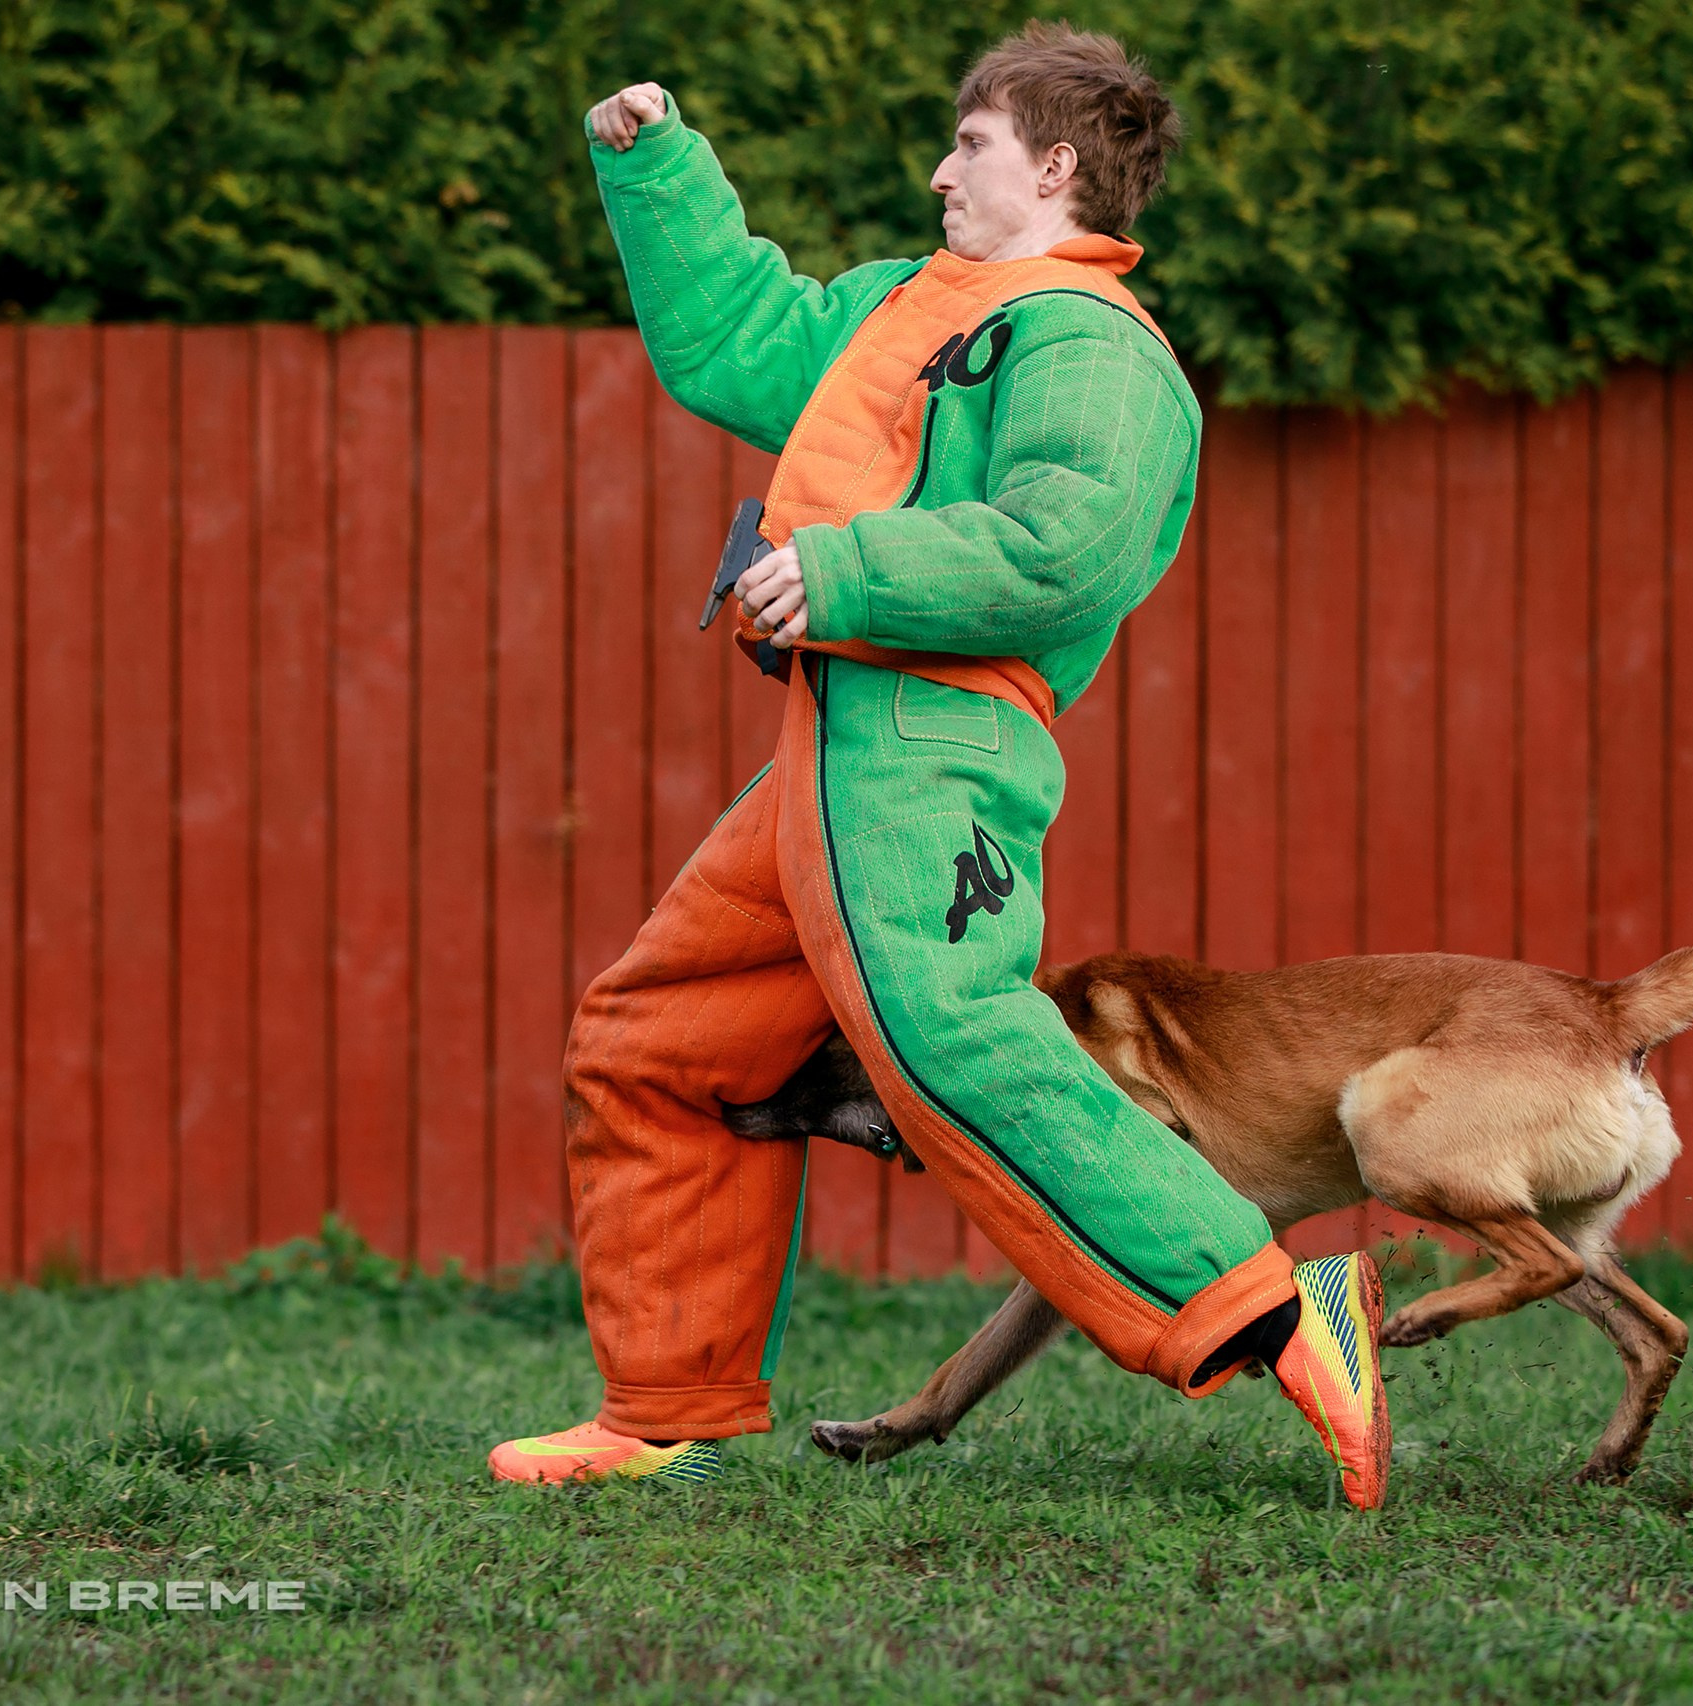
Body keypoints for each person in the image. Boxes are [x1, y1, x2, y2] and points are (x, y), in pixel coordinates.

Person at [488, 24, 1390, 1509]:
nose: (939, 171)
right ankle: (668, 1409)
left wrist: (845, 571)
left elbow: (1068, 545)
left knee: (951, 1041)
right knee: (660, 1038)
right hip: (834, 744)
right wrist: (660, 169)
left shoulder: (1096, 345)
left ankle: (1281, 1310)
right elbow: (738, 343)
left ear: (1056, 164)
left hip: (936, 740)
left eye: (969, 144)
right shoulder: (911, 308)